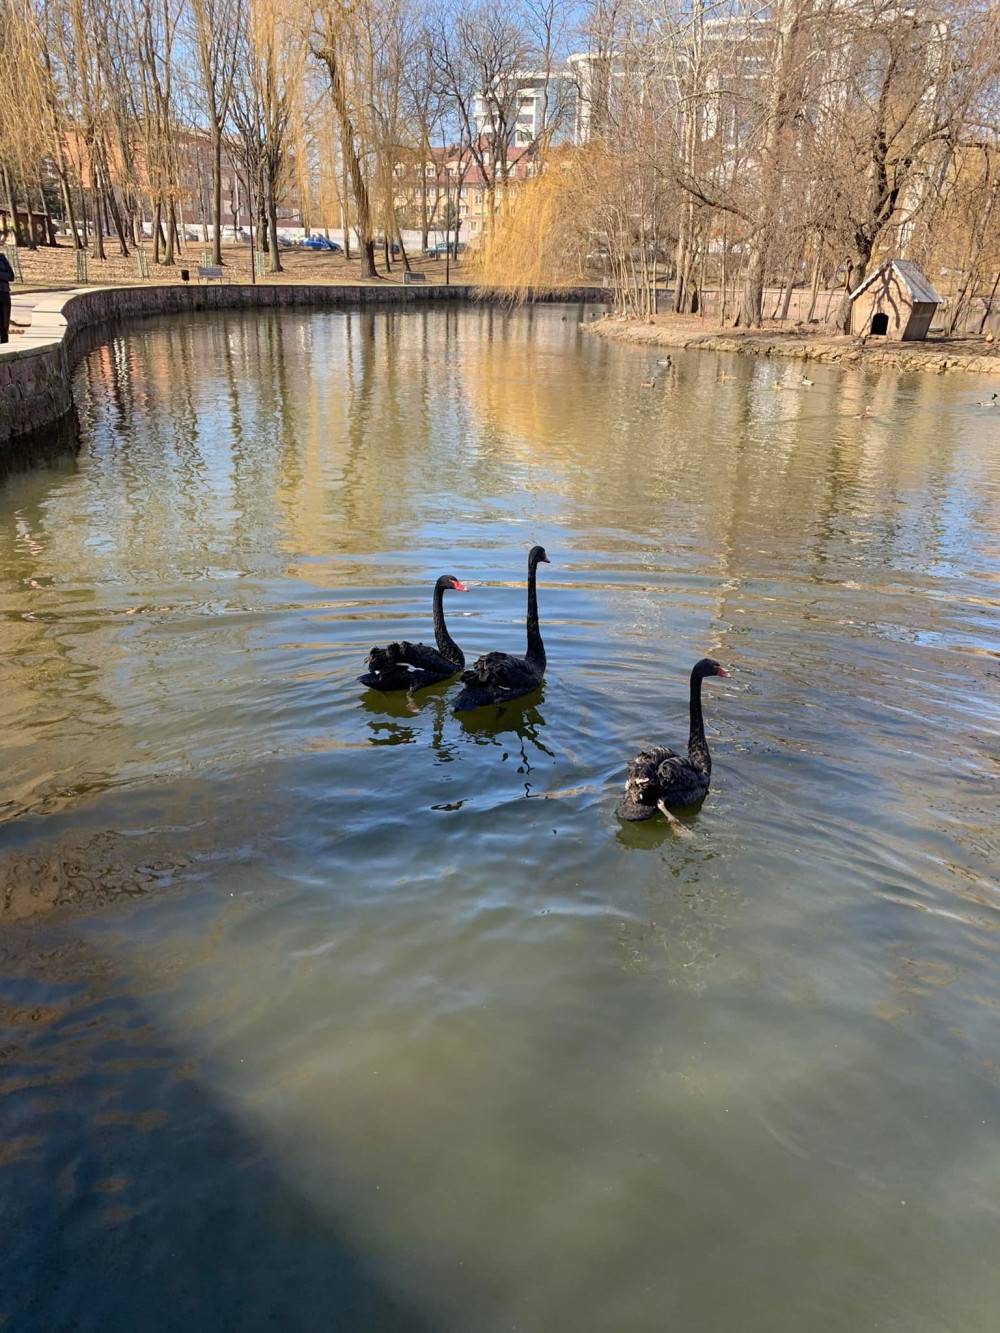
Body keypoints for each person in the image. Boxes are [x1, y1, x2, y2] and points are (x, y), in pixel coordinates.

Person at [0, 250, 14, 344]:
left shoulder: (2, 258)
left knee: (4, 325)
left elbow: (11, 276)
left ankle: (5, 345)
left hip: (4, 293)